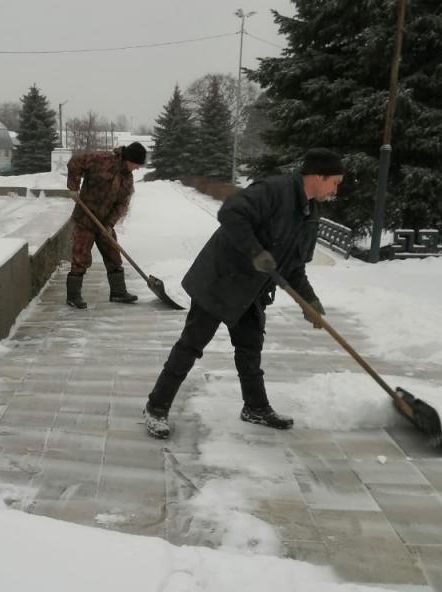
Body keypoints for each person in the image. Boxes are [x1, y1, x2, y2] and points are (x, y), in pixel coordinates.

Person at [143, 148, 345, 438]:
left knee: (250, 348)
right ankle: (156, 407)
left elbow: (294, 267)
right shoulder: (274, 190)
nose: (336, 189)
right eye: (335, 182)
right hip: (220, 279)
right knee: (191, 345)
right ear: (318, 176)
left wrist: (309, 301)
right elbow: (231, 212)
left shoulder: (310, 215)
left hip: (252, 290)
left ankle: (255, 407)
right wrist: (255, 251)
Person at [65, 141, 148, 308]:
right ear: (129, 159)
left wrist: (109, 224)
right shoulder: (101, 159)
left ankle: (118, 293)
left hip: (104, 223)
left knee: (114, 256)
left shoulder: (128, 180)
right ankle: (73, 296)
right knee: (80, 258)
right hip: (85, 220)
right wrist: (73, 186)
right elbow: (75, 161)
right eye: (137, 164)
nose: (137, 168)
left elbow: (122, 205)